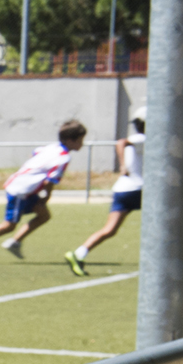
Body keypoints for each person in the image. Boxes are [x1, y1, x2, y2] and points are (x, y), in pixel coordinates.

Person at [0, 119, 88, 264]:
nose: (82, 143)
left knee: (44, 215)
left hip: (24, 187)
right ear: (70, 140)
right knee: (9, 225)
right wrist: (45, 198)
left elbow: (34, 154)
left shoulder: (52, 147)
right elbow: (49, 182)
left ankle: (15, 242)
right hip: (21, 190)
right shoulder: (63, 158)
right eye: (80, 140)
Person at [66, 114, 144, 276]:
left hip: (123, 189)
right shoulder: (142, 138)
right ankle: (161, 263)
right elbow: (121, 142)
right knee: (164, 225)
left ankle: (79, 253)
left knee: (110, 230)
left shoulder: (141, 139)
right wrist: (122, 165)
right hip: (138, 190)